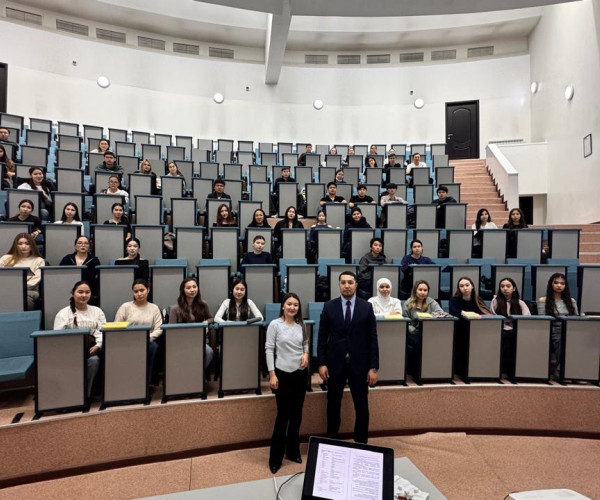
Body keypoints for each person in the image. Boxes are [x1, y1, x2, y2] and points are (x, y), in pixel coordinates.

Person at [317, 271, 379, 443]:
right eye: (343, 282)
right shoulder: (329, 306)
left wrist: (374, 367)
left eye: (350, 282)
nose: (347, 286)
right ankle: (332, 441)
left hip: (359, 364)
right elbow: (322, 337)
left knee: (362, 406)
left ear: (356, 285)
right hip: (334, 364)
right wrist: (321, 363)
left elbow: (372, 338)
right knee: (333, 405)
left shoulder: (366, 307)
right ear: (339, 285)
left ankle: (361, 443)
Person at [265, 293, 309, 473]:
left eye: (295, 305)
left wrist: (306, 354)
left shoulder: (301, 325)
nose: (292, 307)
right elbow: (269, 349)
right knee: (283, 415)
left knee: (297, 414)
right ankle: (275, 458)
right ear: (283, 306)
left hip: (300, 374)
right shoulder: (275, 325)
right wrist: (272, 374)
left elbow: (305, 344)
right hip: (282, 374)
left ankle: (292, 451)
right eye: (289, 304)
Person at [53, 281, 106, 396]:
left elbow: (102, 332)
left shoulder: (97, 311)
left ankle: (86, 395)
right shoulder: (63, 314)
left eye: (87, 292)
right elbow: (58, 338)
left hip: (91, 350)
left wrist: (98, 345)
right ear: (72, 293)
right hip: (70, 352)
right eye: (80, 292)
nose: (84, 295)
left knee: (94, 361)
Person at [114, 279, 163, 384]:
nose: (139, 294)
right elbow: (117, 326)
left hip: (148, 341)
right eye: (136, 291)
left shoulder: (154, 308)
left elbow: (158, 329)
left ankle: (146, 382)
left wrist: (147, 338)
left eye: (142, 290)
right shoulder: (125, 306)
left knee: (153, 347)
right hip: (127, 341)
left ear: (148, 290)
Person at [537, 273, 579, 377]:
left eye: (562, 283)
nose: (559, 285)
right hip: (553, 329)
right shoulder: (543, 300)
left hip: (570, 329)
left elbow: (576, 319)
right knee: (562, 340)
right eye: (556, 283)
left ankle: (566, 370)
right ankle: (565, 372)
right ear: (551, 284)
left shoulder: (571, 301)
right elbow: (543, 320)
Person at [168, 278, 214, 369]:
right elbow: (170, 329)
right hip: (181, 341)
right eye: (188, 288)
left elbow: (211, 318)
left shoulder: (203, 304)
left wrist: (205, 322)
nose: (192, 290)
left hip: (198, 340)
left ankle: (199, 372)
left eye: (194, 287)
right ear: (183, 290)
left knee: (209, 352)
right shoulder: (175, 309)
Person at [402, 280, 447, 371]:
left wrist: (430, 316)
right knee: (418, 343)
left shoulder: (431, 302)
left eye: (425, 290)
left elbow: (441, 314)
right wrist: (411, 329)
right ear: (415, 290)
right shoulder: (408, 303)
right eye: (420, 290)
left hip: (430, 331)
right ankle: (416, 370)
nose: (423, 292)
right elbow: (404, 320)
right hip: (414, 332)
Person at [491, 277, 531, 373]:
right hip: (500, 328)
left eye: (508, 286)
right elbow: (493, 317)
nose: (505, 288)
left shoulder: (520, 303)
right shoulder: (495, 301)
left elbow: (526, 318)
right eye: (502, 286)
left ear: (514, 288)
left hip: (517, 329)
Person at [0, 233, 45, 310]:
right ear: (15, 245)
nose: (23, 246)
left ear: (32, 245)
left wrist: (16, 288)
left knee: (22, 296)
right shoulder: (6, 258)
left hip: (29, 290)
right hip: (6, 289)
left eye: (27, 243)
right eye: (20, 244)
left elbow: (34, 281)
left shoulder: (38, 260)